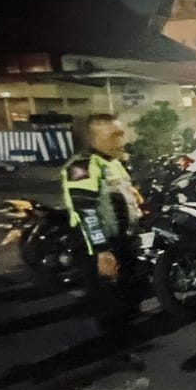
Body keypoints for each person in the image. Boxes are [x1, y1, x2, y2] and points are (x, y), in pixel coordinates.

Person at [62, 113, 144, 335]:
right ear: (94, 138)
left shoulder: (113, 162)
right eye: (114, 135)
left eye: (121, 134)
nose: (121, 140)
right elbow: (86, 211)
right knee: (109, 303)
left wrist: (132, 194)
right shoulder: (82, 166)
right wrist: (102, 251)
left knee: (128, 297)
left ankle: (129, 335)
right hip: (101, 246)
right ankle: (114, 346)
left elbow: (116, 191)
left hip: (122, 241)